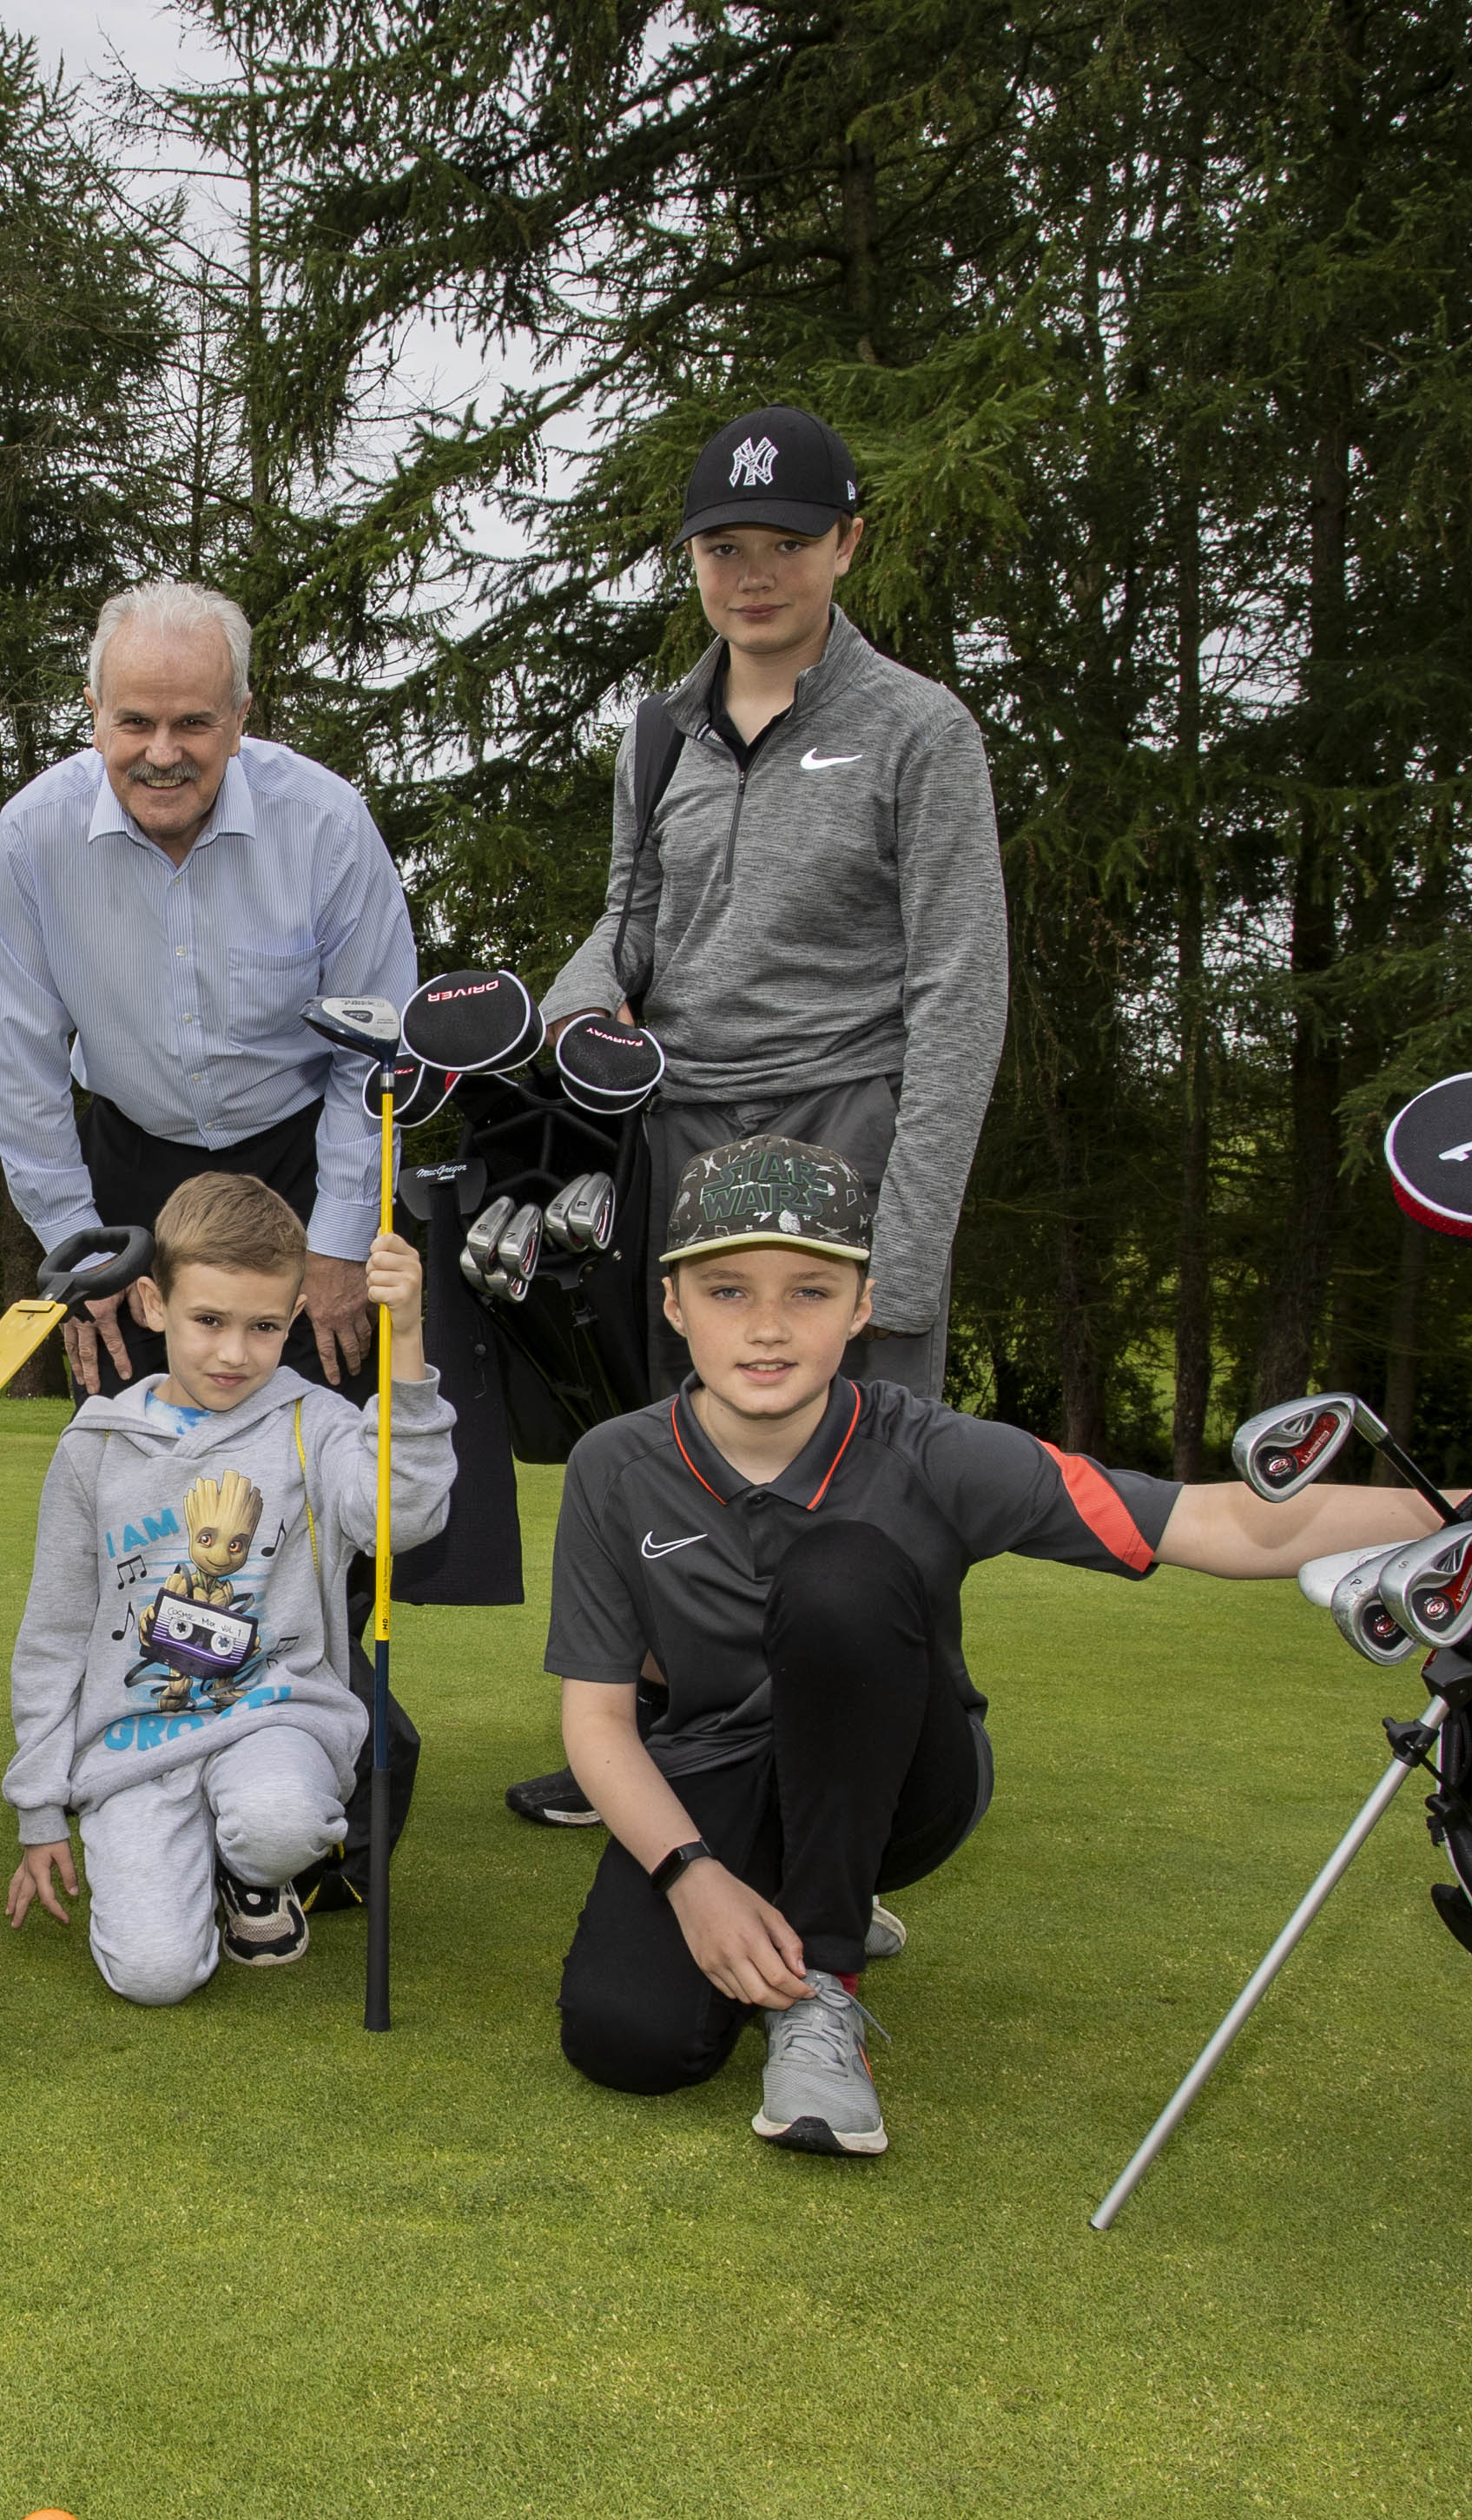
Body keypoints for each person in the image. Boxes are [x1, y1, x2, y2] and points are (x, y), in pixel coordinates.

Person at [545, 1135, 1472, 2158]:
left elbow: (1218, 1519)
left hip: (905, 1776)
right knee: (632, 2044)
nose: (767, 1327)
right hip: (713, 1768)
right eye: (728, 1290)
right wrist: (692, 1877)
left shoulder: (933, 1446)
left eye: (809, 1291)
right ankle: (797, 1886)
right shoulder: (614, 1465)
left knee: (844, 1572)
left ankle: (828, 1979)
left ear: (865, 1305)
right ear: (672, 1302)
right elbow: (599, 1721)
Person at [506, 403, 1011, 1831]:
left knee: (872, 1497)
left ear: (845, 544)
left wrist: (902, 1257)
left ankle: (886, 1802)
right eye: (724, 547)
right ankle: (686, 1757)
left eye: (785, 542)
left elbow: (961, 998)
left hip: (850, 1129)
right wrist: (559, 1017)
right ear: (694, 562)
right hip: (687, 1147)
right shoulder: (659, 733)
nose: (753, 574)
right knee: (697, 1481)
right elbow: (630, 928)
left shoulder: (920, 732)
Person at [3, 1173, 456, 2003]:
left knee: (280, 1821)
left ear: (293, 1318)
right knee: (152, 1977)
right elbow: (55, 1633)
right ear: (150, 1303)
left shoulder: (314, 1424)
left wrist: (409, 1339)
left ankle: (254, 1873)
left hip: (273, 1720)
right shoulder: (93, 1447)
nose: (233, 1353)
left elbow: (404, 1518)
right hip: (133, 1748)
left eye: (264, 1327)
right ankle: (184, 1864)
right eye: (207, 1320)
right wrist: (39, 1809)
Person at [0, 582, 420, 1397]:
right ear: (94, 712)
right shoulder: (29, 839)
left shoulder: (325, 823)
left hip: (303, 1164)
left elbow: (377, 1049)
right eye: (135, 721)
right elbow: (21, 1071)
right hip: (128, 1178)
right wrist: (78, 1243)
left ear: (239, 717)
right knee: (128, 1483)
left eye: (193, 723)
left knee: (334, 1472)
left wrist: (340, 1238)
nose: (161, 752)